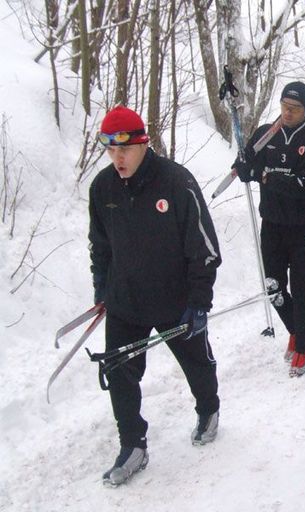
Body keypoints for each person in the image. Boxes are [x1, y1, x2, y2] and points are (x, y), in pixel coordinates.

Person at [89, 105, 222, 486]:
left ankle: (209, 408)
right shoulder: (102, 187)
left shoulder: (177, 183)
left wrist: (199, 302)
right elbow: (100, 246)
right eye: (110, 149)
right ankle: (133, 445)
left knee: (196, 363)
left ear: (144, 143)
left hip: (175, 300)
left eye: (125, 149)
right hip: (125, 303)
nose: (118, 157)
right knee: (119, 374)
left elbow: (205, 249)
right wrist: (103, 289)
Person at [234, 81, 305, 377]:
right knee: (273, 287)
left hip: (304, 227)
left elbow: (304, 185)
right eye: (284, 107)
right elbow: (246, 169)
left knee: (301, 290)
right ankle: (295, 330)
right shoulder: (265, 134)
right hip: (272, 223)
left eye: (294, 108)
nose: (287, 113)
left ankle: (303, 347)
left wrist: (267, 176)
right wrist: (245, 166)